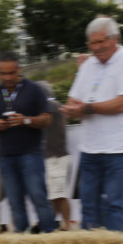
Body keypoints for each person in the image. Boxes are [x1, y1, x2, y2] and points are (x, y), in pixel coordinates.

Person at [61, 18, 123, 232]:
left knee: (116, 203)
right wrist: (73, 109)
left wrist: (87, 108)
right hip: (89, 147)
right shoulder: (89, 64)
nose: (96, 48)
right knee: (88, 205)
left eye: (101, 42)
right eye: (92, 44)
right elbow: (73, 100)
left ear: (115, 38)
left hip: (119, 147)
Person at [0, 52, 55, 234]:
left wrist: (25, 120)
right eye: (3, 73)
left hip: (31, 153)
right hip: (6, 156)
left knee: (38, 197)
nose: (7, 77)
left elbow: (47, 120)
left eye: (11, 73)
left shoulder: (35, 89)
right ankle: (21, 238)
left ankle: (49, 235)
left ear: (19, 70)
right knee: (15, 202)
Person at [40, 84, 72, 231]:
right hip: (55, 157)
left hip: (56, 158)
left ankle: (62, 224)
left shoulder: (51, 105)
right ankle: (57, 224)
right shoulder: (55, 105)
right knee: (56, 195)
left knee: (58, 195)